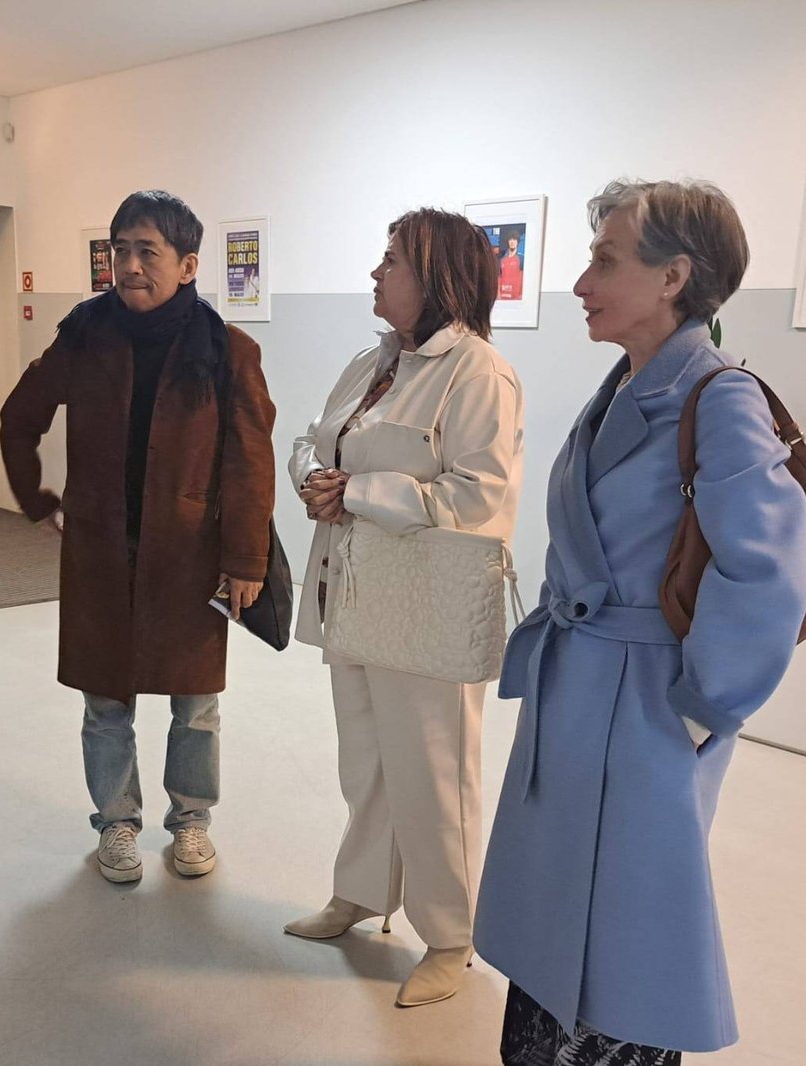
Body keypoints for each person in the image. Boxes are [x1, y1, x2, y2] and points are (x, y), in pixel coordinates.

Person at [474, 179, 806, 1064]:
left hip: (643, 703)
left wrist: (702, 707)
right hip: (583, 686)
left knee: (628, 927)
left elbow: (768, 572)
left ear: (674, 278)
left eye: (605, 259)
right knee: (561, 911)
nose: (582, 282)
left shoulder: (721, 397)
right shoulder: (628, 382)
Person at [0, 190, 276, 885]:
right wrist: (36, 499)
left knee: (196, 705)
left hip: (191, 557)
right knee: (105, 701)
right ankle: (116, 822)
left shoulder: (227, 350)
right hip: (101, 550)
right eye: (118, 249)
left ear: (186, 264)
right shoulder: (84, 333)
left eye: (144, 251)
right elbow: (19, 416)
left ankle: (191, 823)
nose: (127, 264)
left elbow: (251, 462)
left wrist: (247, 559)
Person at [284, 208, 524, 1008]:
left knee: (434, 771)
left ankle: (451, 937)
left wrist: (360, 492)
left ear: (437, 276)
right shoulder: (374, 360)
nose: (376, 273)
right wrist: (320, 481)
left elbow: (481, 495)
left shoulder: (479, 371)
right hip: (354, 592)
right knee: (368, 760)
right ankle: (361, 892)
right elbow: (320, 442)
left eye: (391, 261)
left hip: (426, 606)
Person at [497, 230, 524, 300]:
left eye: (514, 240)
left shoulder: (521, 258)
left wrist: (522, 295)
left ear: (517, 242)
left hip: (516, 298)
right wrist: (498, 294)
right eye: (510, 240)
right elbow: (499, 277)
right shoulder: (502, 260)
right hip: (503, 297)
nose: (512, 242)